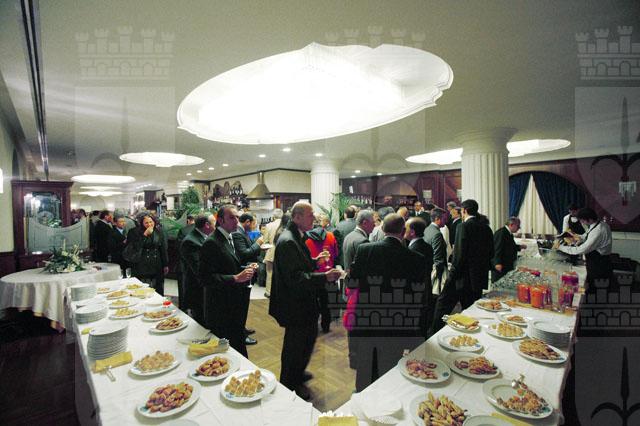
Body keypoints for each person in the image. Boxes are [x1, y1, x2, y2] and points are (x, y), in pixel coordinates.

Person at [269, 202, 342, 400]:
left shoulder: (297, 236)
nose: (314, 219)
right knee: (295, 346)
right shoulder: (288, 240)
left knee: (306, 341)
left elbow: (299, 265)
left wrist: (315, 261)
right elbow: (295, 278)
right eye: (310, 215)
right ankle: (290, 383)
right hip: (295, 305)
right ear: (297, 217)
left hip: (302, 303)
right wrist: (325, 276)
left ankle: (298, 373)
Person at [348, 213, 425, 391]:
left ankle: (362, 394)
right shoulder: (416, 259)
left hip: (367, 319)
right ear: (403, 232)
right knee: (390, 364)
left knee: (365, 365)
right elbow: (418, 298)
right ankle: (386, 396)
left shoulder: (364, 250)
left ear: (382, 229)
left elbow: (352, 283)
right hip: (396, 322)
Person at [430, 199, 494, 335]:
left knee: (442, 307)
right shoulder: (486, 228)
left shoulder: (463, 227)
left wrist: (451, 276)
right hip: (477, 279)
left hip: (460, 278)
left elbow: (459, 256)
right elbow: (491, 254)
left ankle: (434, 335)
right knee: (472, 313)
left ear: (464, 211)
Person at [199, 205, 255, 357]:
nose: (236, 221)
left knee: (236, 350)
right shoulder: (212, 242)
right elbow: (205, 278)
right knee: (226, 354)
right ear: (220, 220)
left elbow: (227, 265)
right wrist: (235, 277)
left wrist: (245, 269)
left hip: (232, 305)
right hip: (221, 308)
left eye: (237, 217)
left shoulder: (229, 238)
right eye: (232, 217)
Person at [341, 209, 375, 369]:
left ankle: (353, 357)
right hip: (359, 289)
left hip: (350, 286)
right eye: (373, 222)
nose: (374, 225)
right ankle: (358, 358)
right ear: (365, 222)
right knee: (358, 326)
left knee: (352, 325)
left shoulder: (349, 236)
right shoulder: (363, 241)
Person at [557, 207, 612, 291]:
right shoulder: (598, 224)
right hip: (597, 259)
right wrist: (577, 237)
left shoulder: (598, 230)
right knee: (592, 282)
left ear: (589, 219)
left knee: (597, 286)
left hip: (599, 262)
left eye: (582, 220)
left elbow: (581, 250)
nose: (582, 222)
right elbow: (587, 235)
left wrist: (560, 247)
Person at [233, 213, 265, 346]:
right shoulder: (237, 233)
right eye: (253, 223)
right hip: (241, 272)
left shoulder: (243, 232)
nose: (254, 226)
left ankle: (242, 329)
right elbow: (244, 253)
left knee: (244, 304)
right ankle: (240, 334)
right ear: (247, 222)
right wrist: (258, 243)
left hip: (247, 271)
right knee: (241, 305)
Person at [305, 213, 339, 333]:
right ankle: (326, 326)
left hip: (313, 275)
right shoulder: (330, 235)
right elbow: (335, 254)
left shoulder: (305, 238)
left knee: (312, 302)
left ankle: (312, 327)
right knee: (326, 302)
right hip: (328, 274)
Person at [180, 214, 213, 324]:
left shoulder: (206, 236)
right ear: (207, 225)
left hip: (205, 288)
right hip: (198, 289)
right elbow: (199, 269)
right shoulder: (190, 241)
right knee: (200, 323)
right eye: (214, 222)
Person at [125, 214, 169, 295]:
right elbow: (134, 247)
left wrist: (165, 264)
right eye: (146, 223)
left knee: (158, 288)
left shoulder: (159, 231)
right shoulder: (134, 232)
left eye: (151, 222)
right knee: (143, 288)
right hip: (141, 263)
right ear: (141, 223)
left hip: (156, 263)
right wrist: (144, 235)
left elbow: (163, 249)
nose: (149, 224)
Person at [404, 217, 433, 338]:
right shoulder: (427, 246)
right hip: (425, 290)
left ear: (412, 232)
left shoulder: (413, 250)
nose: (403, 230)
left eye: (405, 228)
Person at [424, 208, 449, 333]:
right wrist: (439, 276)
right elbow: (438, 258)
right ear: (437, 219)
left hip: (426, 269)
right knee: (435, 302)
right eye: (444, 218)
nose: (446, 220)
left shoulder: (427, 229)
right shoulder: (437, 234)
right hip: (435, 273)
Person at [492, 217, 526, 282]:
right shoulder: (501, 233)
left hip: (507, 264)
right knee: (499, 283)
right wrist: (497, 263)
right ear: (511, 224)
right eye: (518, 226)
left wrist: (519, 247)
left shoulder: (508, 233)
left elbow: (509, 247)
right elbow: (496, 249)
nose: (519, 228)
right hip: (501, 265)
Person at [263, 209, 285, 298]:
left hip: (271, 252)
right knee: (282, 273)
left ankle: (269, 292)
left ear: (273, 216)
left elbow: (265, 241)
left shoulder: (269, 225)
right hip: (283, 253)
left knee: (269, 273)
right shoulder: (285, 225)